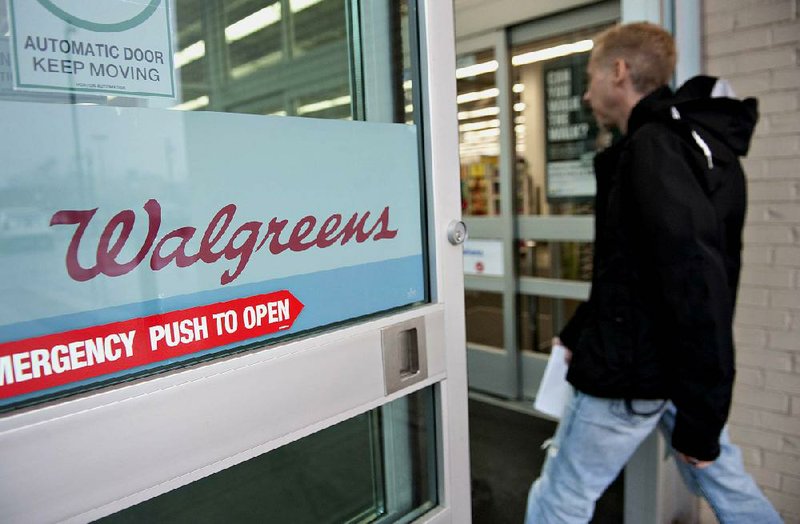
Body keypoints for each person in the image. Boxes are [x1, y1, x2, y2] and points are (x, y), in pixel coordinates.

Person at [524, 22, 782, 523]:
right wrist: (581, 330)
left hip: (631, 375)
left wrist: (704, 415)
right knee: (729, 487)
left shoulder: (654, 150)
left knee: (559, 499)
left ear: (618, 72)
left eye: (592, 76)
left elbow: (696, 282)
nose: (585, 92)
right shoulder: (690, 146)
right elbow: (637, 270)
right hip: (671, 368)